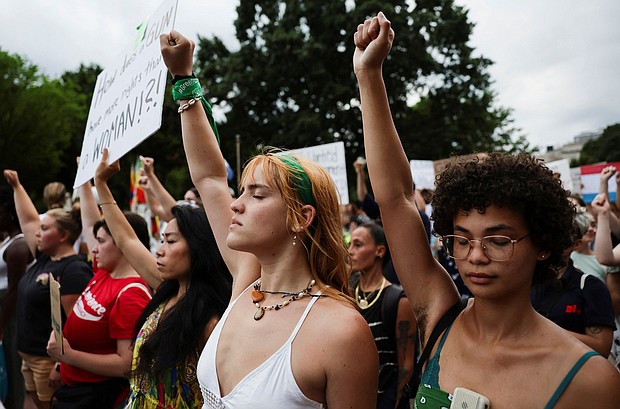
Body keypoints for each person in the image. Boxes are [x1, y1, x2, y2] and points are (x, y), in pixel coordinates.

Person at [354, 12, 620, 408]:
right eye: (460, 240)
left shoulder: (590, 379)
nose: (475, 256)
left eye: (498, 240)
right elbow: (396, 197)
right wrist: (369, 74)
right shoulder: (439, 315)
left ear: (543, 244)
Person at [159, 30, 378, 408]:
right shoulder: (246, 282)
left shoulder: (341, 331)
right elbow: (210, 177)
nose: (236, 205)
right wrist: (183, 78)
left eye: (257, 195)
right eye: (241, 191)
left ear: (301, 217)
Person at [93, 149, 232, 409]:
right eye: (161, 240)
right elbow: (126, 239)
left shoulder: (212, 323)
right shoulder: (166, 290)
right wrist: (100, 184)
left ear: (198, 247)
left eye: (170, 241)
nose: (159, 250)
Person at [45, 180, 152, 408]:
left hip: (98, 396)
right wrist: (85, 182)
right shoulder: (105, 270)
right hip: (76, 386)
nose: (92, 248)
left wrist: (68, 356)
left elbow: (126, 365)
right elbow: (91, 224)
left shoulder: (131, 294)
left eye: (101, 242)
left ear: (123, 244)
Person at [3, 170, 92, 409]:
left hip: (48, 360)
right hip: (30, 356)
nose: (37, 233)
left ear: (63, 235)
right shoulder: (45, 257)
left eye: (44, 229)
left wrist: (60, 364)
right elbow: (30, 220)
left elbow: (75, 324)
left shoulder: (74, 270)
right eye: (40, 229)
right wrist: (17, 186)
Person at [348, 221, 415, 409]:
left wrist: (395, 401)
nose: (350, 251)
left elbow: (405, 364)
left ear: (380, 251)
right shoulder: (345, 292)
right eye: (350, 244)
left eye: (358, 245)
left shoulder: (398, 300)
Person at [531, 211, 615, 357]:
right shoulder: (523, 280)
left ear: (576, 244)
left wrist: (542, 331)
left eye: (563, 235)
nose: (555, 241)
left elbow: (602, 348)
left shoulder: (590, 287)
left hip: (568, 374)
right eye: (552, 233)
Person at [0, 187, 33, 409]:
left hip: (9, 316)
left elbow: (13, 290)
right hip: (5, 312)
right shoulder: (7, 240)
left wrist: (1, 326)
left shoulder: (19, 246)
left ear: (10, 214)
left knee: (12, 369)